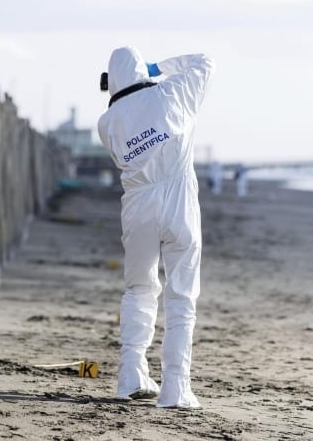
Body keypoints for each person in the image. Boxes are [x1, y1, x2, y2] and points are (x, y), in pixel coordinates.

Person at [97, 47, 215, 408]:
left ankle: (131, 372)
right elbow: (204, 62)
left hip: (137, 204)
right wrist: (158, 68)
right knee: (181, 293)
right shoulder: (172, 93)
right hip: (179, 197)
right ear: (141, 73)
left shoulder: (108, 122)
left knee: (139, 288)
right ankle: (175, 387)